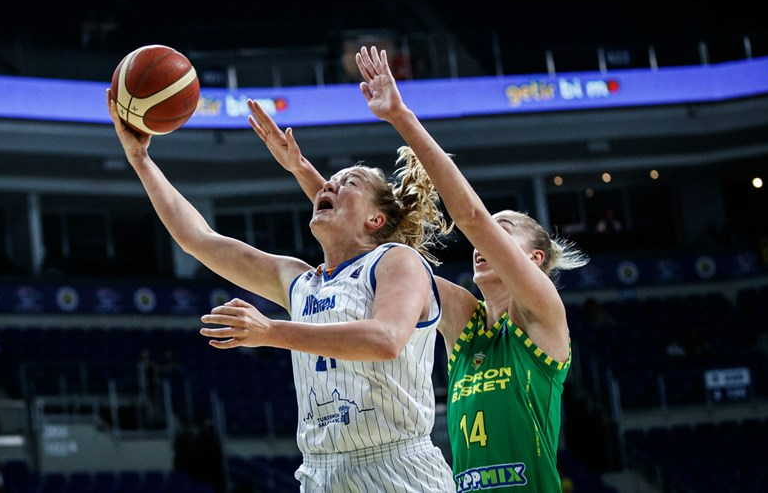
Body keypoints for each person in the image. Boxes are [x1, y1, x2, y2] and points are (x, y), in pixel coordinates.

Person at [247, 46, 589, 492]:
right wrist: (305, 172)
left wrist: (400, 116)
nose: (485, 243)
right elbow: (369, 247)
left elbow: (470, 218)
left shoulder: (544, 314)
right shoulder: (468, 325)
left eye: (505, 232)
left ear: (534, 259)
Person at [106, 90, 455, 492]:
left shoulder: (395, 261)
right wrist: (142, 161)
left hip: (397, 468)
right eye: (331, 182)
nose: (330, 186)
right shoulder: (300, 281)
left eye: (349, 182)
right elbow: (197, 239)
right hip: (320, 472)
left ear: (376, 218)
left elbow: (386, 339)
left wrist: (271, 332)